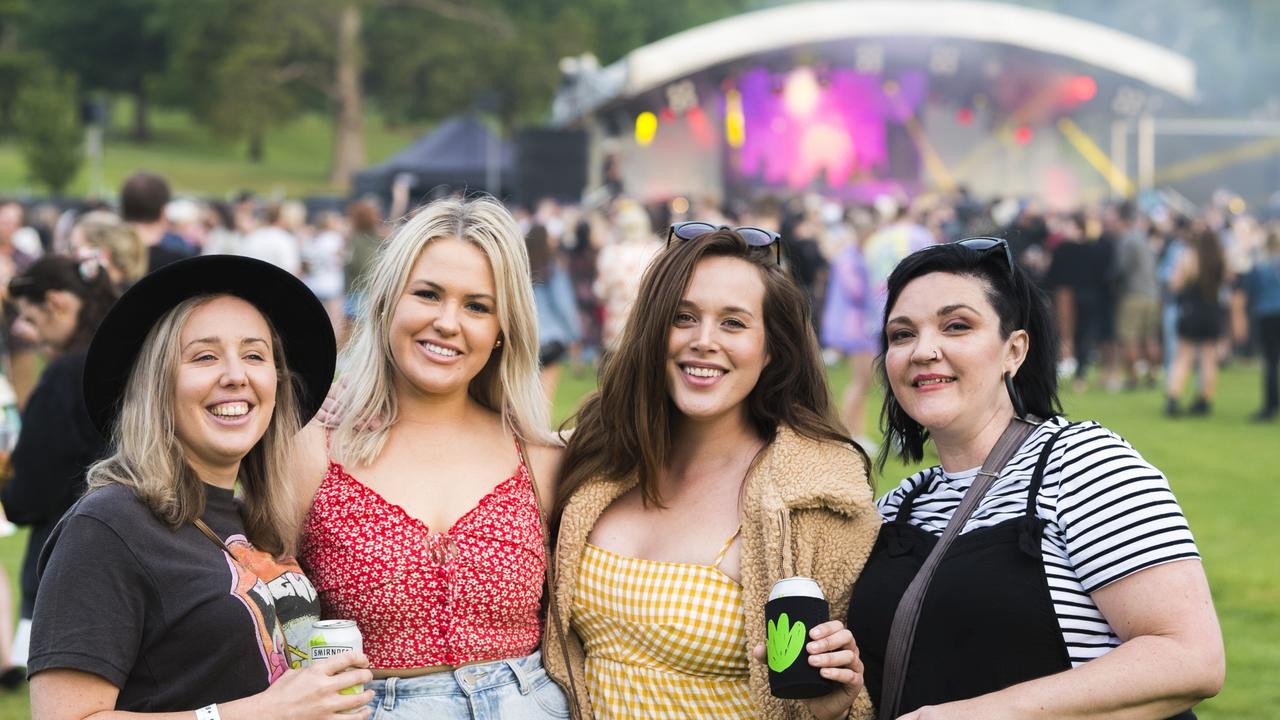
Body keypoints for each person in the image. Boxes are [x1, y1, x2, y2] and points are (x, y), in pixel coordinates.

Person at [845, 238, 1223, 718]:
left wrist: (973, 715)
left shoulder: (1082, 464)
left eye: (956, 326)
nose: (923, 351)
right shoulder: (902, 503)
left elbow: (1190, 657)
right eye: (901, 335)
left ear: (1014, 351)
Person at [544, 226, 880, 720]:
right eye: (683, 318)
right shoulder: (598, 457)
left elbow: (852, 690)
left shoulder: (816, 500)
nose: (704, 342)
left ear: (771, 350)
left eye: (733, 324)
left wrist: (833, 709)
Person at [27, 255, 373, 717]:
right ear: (157, 386)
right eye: (204, 356)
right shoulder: (108, 526)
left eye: (254, 355)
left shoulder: (256, 519)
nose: (236, 375)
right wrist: (262, 713)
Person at [295, 196, 571, 718]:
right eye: (427, 294)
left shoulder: (538, 455)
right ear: (386, 302)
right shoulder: (315, 447)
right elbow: (258, 606)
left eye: (477, 306)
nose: (448, 322)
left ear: (500, 332)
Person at [2, 257, 116, 676]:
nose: (31, 331)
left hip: (69, 552)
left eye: (33, 317)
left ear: (55, 303)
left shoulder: (67, 374)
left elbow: (30, 490)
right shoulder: (132, 360)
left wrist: (8, 486)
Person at [1165, 226, 1227, 416]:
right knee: (1208, 358)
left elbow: (1175, 284)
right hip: (1212, 312)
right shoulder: (1219, 258)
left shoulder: (1188, 257)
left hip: (1191, 312)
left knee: (1183, 357)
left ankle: (1174, 398)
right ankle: (1204, 400)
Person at [526, 224, 581, 403]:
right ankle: (539, 429)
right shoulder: (552, 268)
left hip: (527, 337)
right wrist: (575, 334)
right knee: (545, 393)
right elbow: (564, 304)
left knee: (527, 393)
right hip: (551, 338)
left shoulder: (522, 269)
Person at [1233, 227, 1280, 422]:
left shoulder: (1259, 266)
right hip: (1271, 312)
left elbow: (1246, 294)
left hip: (1266, 315)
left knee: (1270, 362)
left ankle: (1270, 407)